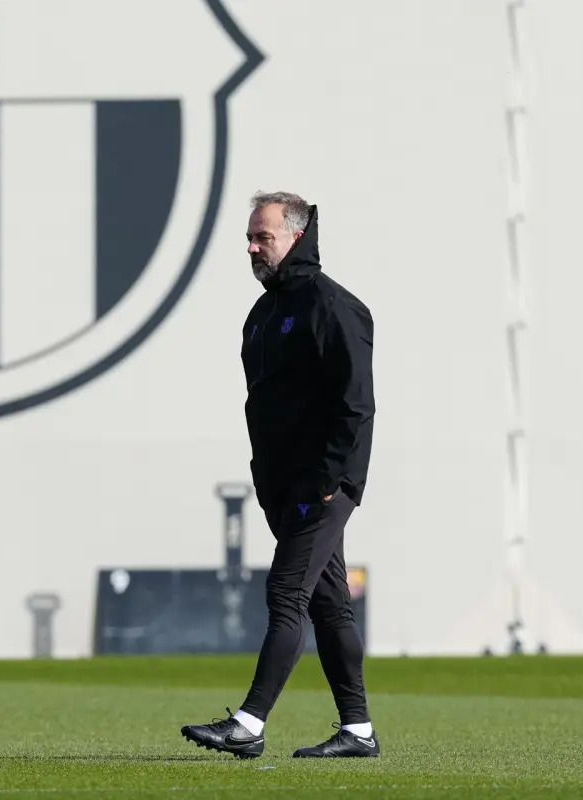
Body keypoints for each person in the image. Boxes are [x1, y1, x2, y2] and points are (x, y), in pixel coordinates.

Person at [180, 191, 378, 760]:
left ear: (296, 236)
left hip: (322, 485)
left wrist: (327, 478)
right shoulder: (264, 313)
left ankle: (248, 723)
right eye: (249, 237)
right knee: (329, 605)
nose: (251, 247)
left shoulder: (333, 306)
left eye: (262, 236)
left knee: (286, 591)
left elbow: (356, 405)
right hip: (284, 485)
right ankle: (358, 730)